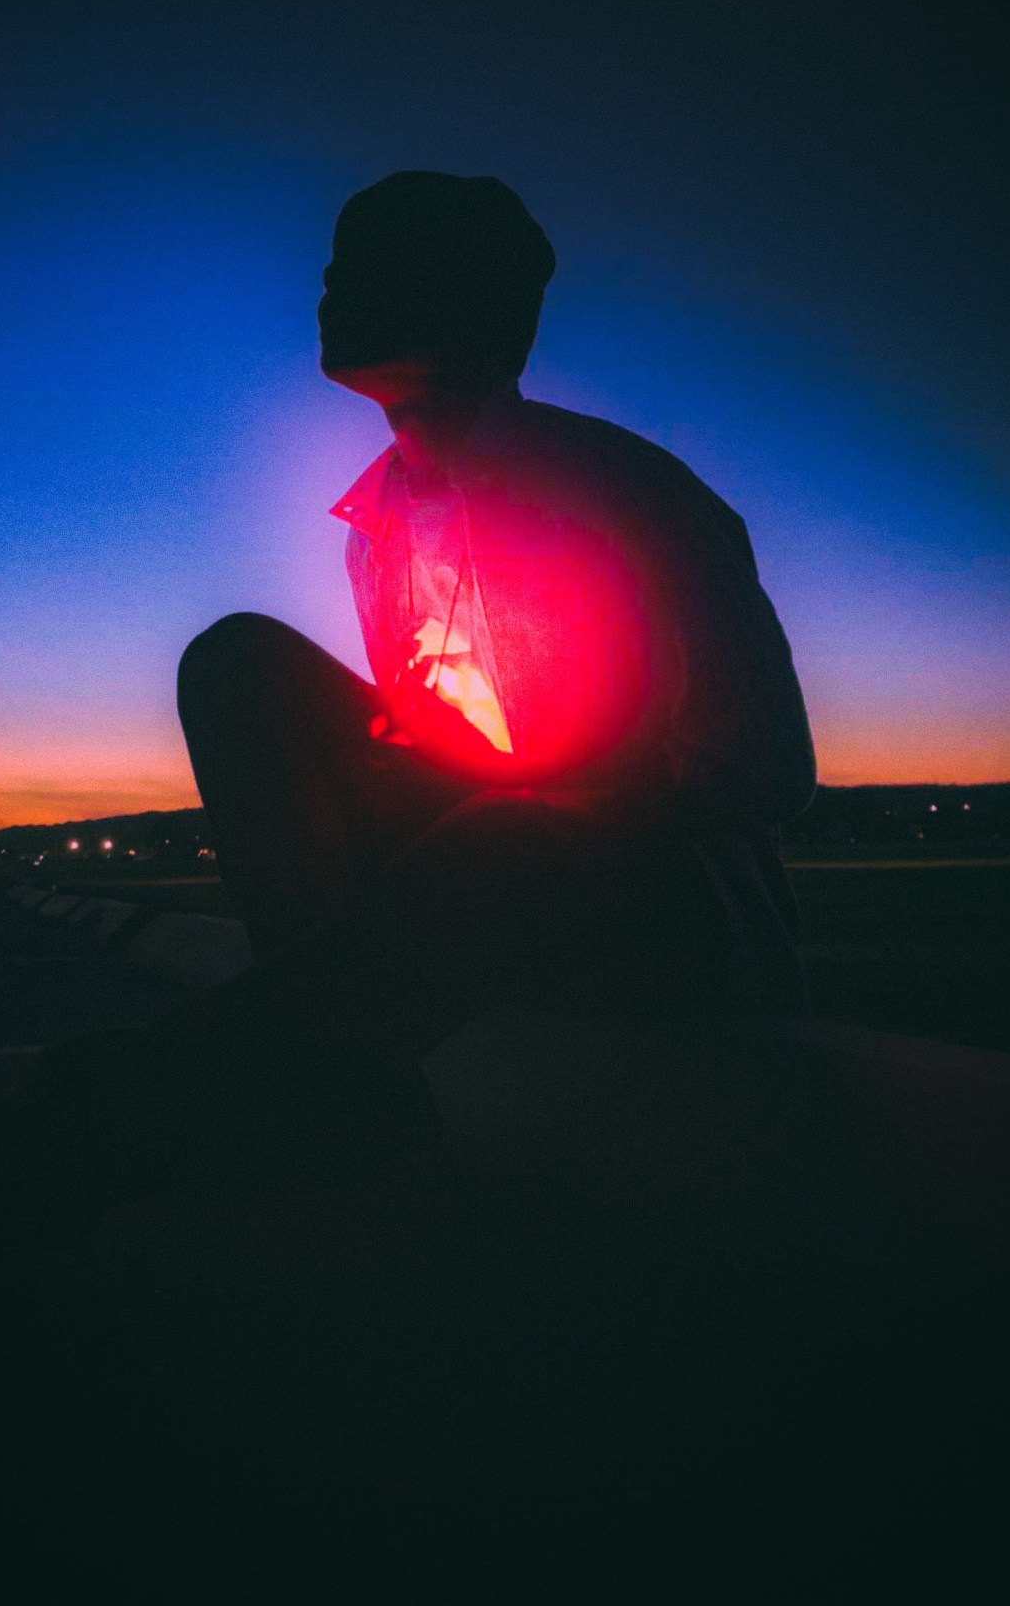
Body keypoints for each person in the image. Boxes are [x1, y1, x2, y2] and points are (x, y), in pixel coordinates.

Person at [176, 171, 816, 1073]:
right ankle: (333, 1039)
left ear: (468, 295)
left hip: (665, 908)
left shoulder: (623, 492)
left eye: (370, 261)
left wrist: (570, 811)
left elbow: (766, 768)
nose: (327, 286)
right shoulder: (377, 528)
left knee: (506, 833)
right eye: (332, 264)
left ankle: (281, 1064)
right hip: (481, 878)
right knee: (238, 664)